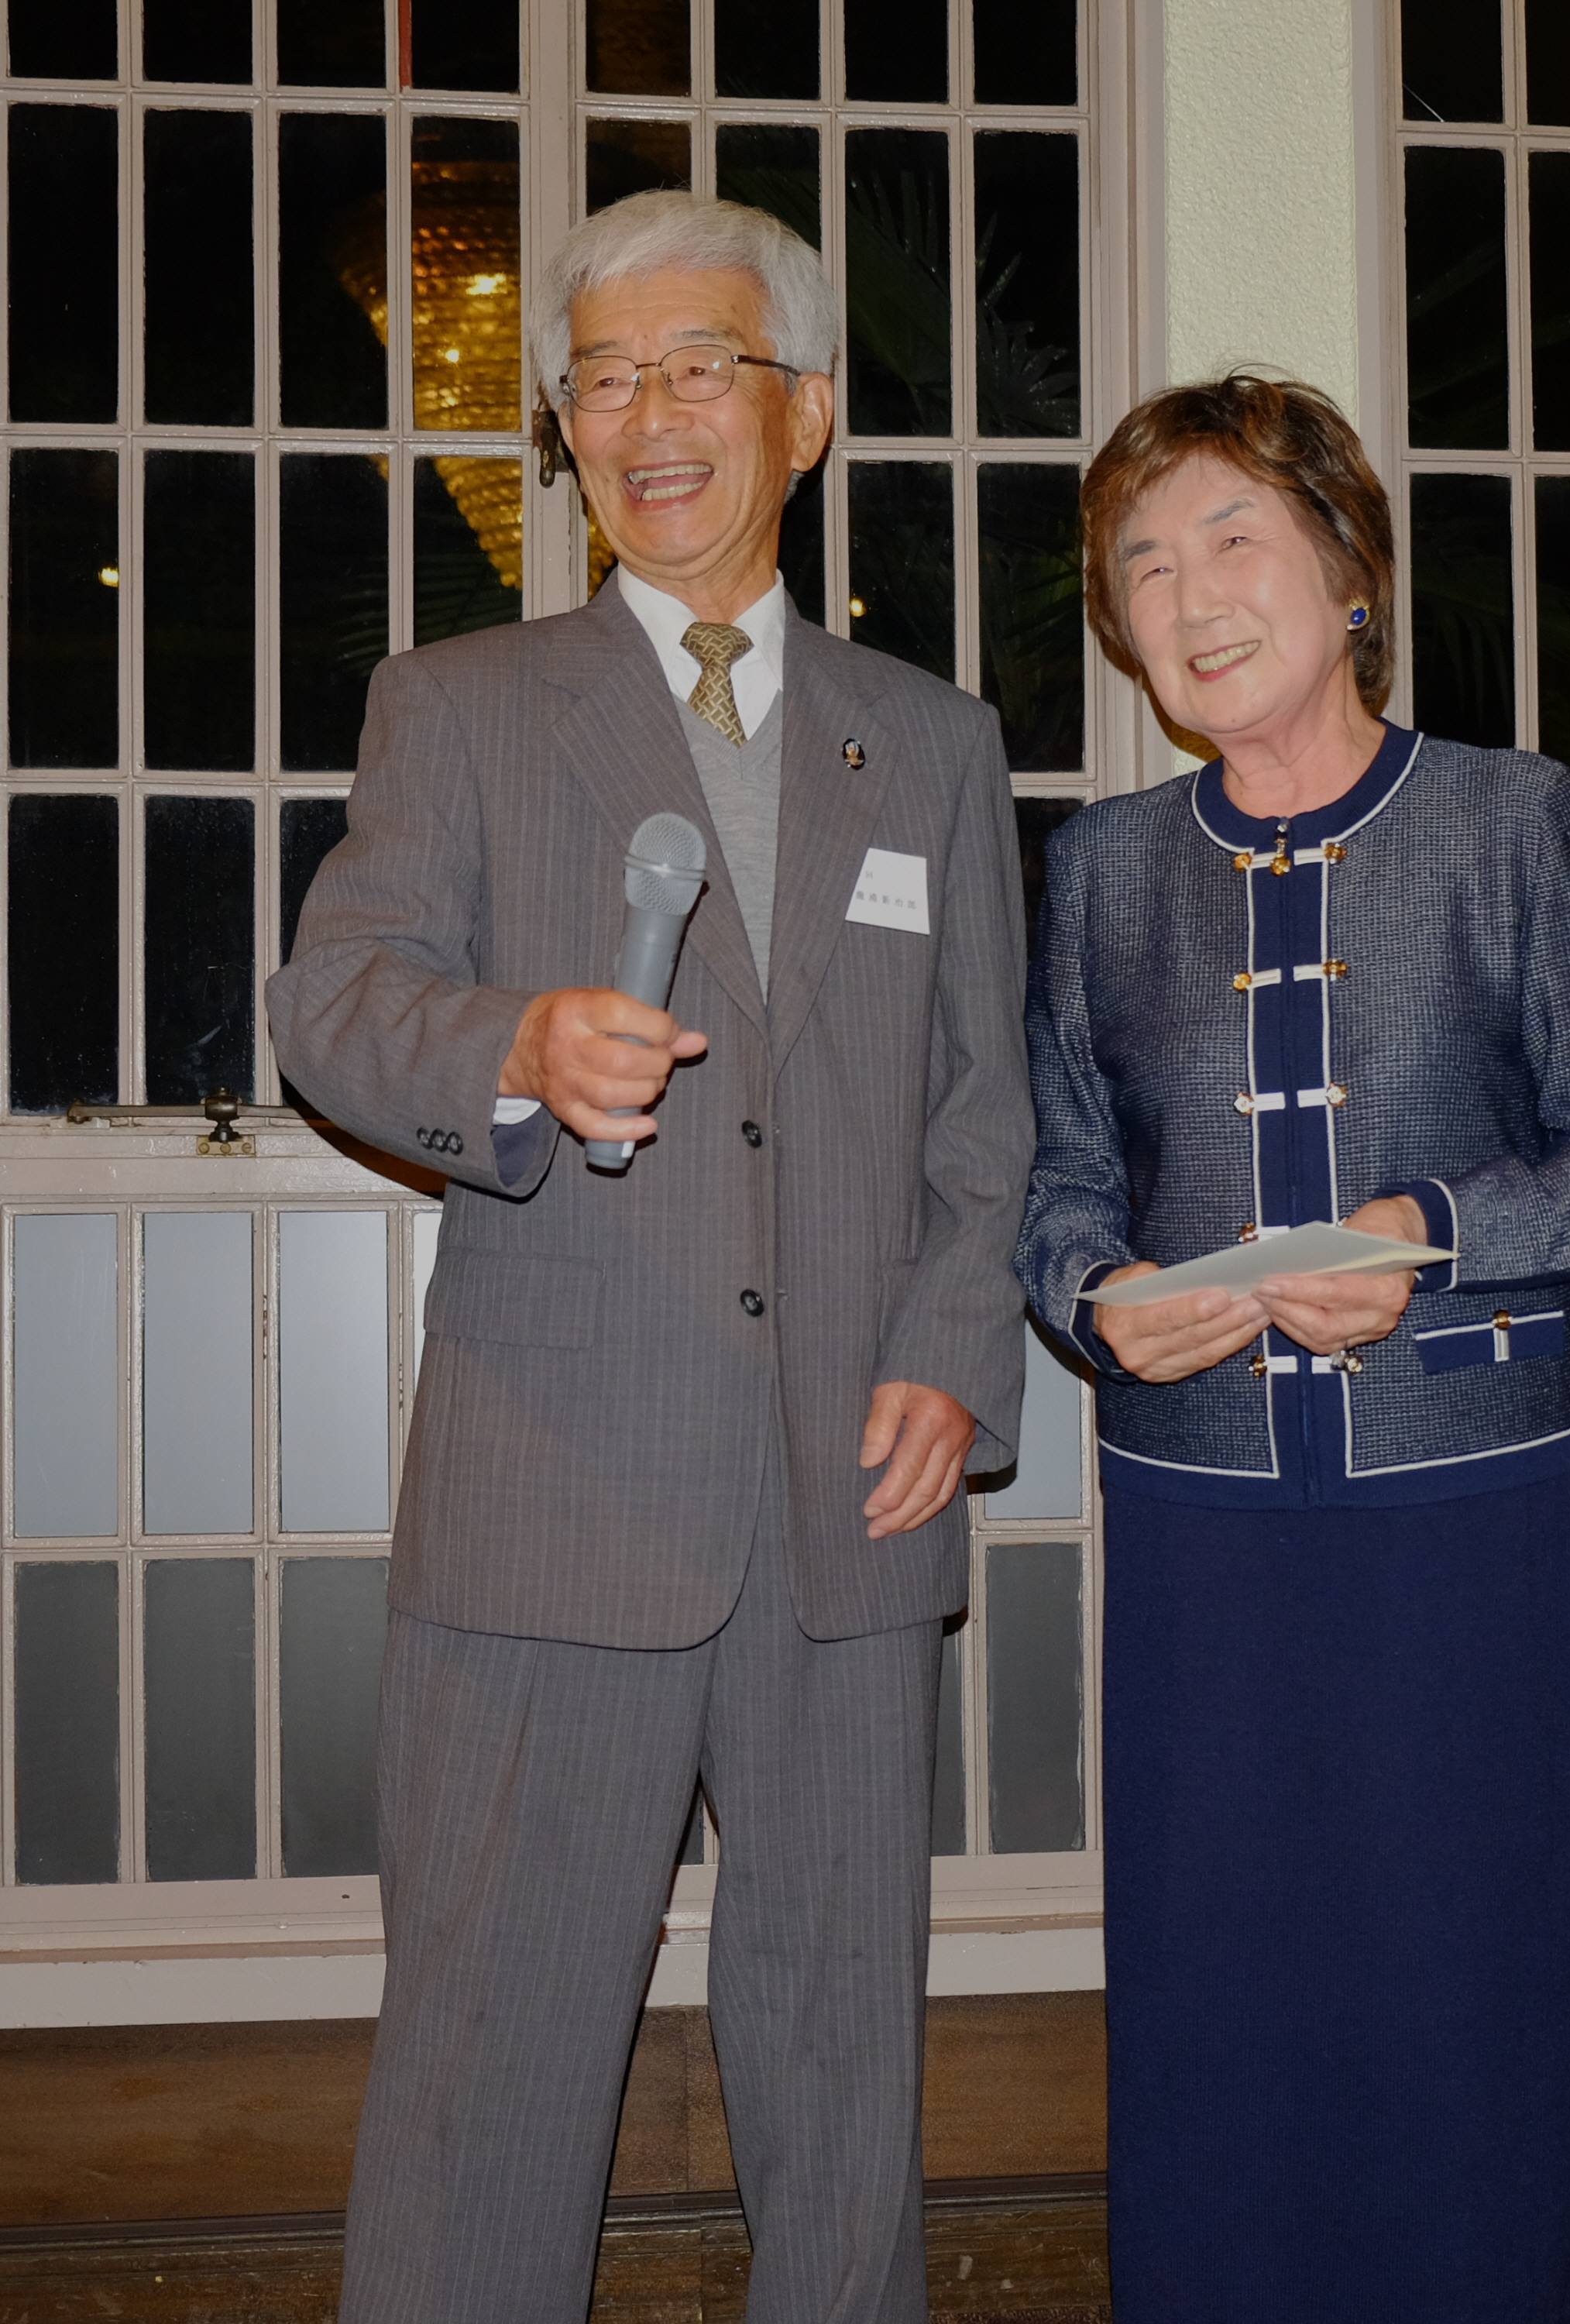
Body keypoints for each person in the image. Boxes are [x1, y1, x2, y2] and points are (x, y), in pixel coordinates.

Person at [267, 190, 1032, 2324]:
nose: (646, 415)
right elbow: (334, 1001)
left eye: (699, 366)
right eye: (601, 380)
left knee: (842, 2053)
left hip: (850, 1495)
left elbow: (988, 1110)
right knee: (487, 2062)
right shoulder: (463, 705)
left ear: (804, 415)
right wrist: (511, 1045)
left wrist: (954, 1352)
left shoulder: (933, 742)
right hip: (552, 1492)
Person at [1015, 373, 1570, 2324]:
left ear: (1347, 567)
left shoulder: (1507, 820)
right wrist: (1098, 1301)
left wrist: (1429, 1235)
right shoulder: (1101, 868)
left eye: (1233, 537)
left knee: (1468, 1979)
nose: (1190, 596)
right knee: (1214, 1983)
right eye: (1145, 566)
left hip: (1461, 1520)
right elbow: (1065, 1182)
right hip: (1203, 1530)